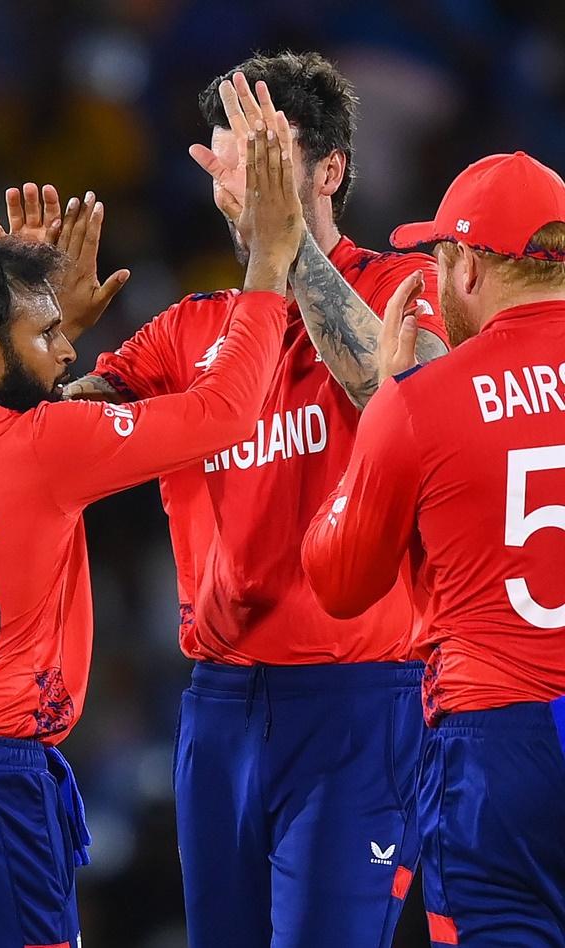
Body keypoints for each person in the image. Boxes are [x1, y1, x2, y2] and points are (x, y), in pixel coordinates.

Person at [0, 120, 302, 947]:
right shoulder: (41, 448)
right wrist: (267, 263)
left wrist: (33, 317)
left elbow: (1, 432)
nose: (67, 349)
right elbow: (225, 413)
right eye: (45, 336)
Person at [42, 53, 449, 946]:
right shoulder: (184, 330)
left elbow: (395, 407)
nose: (233, 185)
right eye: (225, 160)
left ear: (330, 170)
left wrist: (284, 247)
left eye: (260, 158)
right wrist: (43, 337)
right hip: (219, 705)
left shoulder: (400, 299)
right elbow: (38, 457)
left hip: (361, 697)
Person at [303, 151, 565, 947]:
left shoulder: (421, 402)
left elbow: (339, 580)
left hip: (499, 744)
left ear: (469, 266)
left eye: (441, 256)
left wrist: (381, 408)